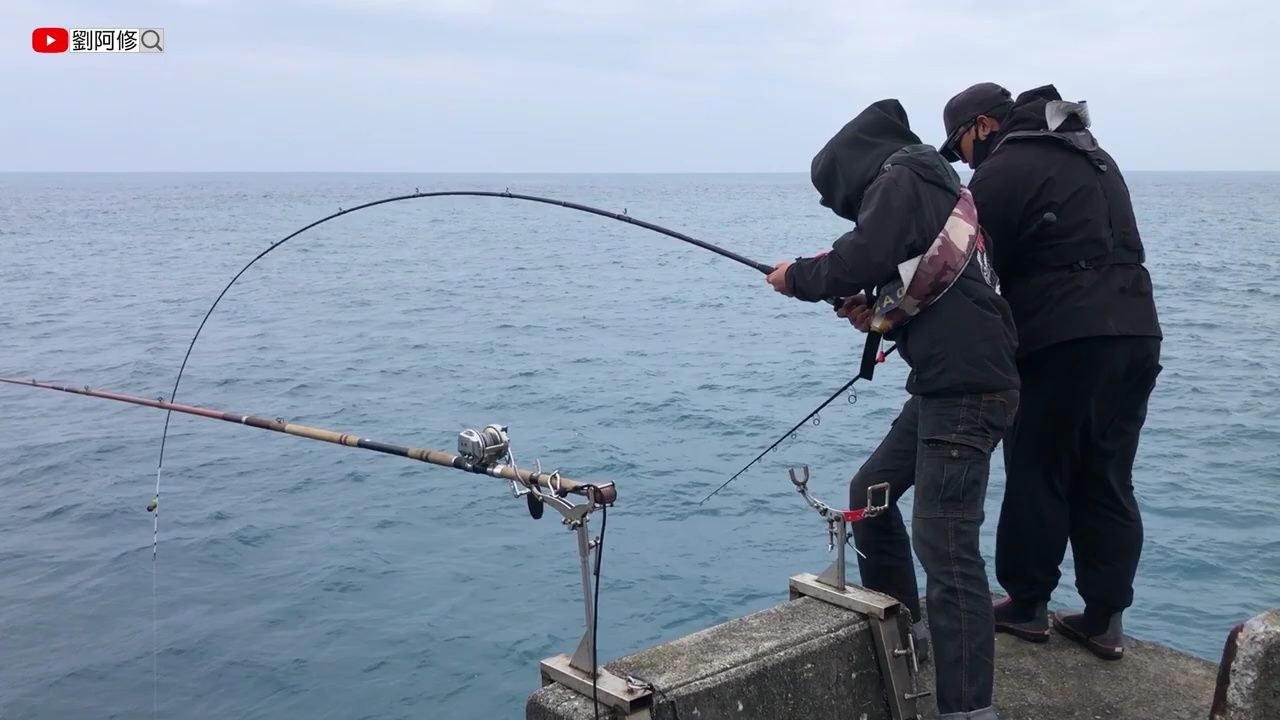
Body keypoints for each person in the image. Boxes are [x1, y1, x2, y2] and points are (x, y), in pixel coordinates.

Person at [766, 98, 1019, 720]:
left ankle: (966, 710)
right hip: (948, 384)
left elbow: (861, 253)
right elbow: (921, 284)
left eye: (841, 200)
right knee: (868, 493)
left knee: (947, 545)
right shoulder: (932, 188)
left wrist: (796, 276)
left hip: (966, 389)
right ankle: (911, 632)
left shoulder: (902, 176)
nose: (846, 210)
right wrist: (874, 312)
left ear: (855, 172)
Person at [938, 83, 1163, 660]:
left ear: (983, 125)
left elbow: (955, 261)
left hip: (1063, 339)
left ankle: (1029, 604)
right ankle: (1104, 618)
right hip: (1136, 332)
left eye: (960, 145)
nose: (963, 160)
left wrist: (886, 308)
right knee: (1107, 473)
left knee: (1038, 465)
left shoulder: (1005, 168)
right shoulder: (1094, 155)